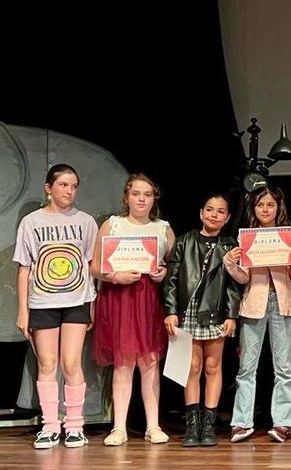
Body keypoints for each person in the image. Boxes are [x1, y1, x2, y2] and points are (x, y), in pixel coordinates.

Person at [14, 164, 98, 449]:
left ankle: (74, 425)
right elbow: (24, 268)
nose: (69, 191)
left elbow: (90, 266)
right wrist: (23, 311)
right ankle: (49, 425)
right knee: (47, 363)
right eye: (63, 185)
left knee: (72, 362)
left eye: (74, 186)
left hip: (76, 301)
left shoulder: (86, 221)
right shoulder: (32, 222)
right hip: (42, 302)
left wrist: (92, 303)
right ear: (48, 188)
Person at [92, 174, 175, 446]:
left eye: (147, 194)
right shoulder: (112, 225)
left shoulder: (163, 228)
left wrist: (163, 273)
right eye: (136, 193)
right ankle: (119, 427)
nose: (141, 199)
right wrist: (115, 277)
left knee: (150, 361)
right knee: (123, 363)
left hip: (148, 299)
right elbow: (95, 267)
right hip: (120, 298)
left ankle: (153, 425)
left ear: (154, 199)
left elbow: (171, 268)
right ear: (127, 197)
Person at [225, 187, 291, 444]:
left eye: (270, 205)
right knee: (246, 367)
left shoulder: (289, 235)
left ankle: (283, 422)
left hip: (282, 303)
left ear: (278, 208)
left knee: (284, 368)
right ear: (254, 208)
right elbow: (244, 278)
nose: (265, 210)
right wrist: (231, 262)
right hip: (254, 303)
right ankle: (241, 422)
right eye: (260, 205)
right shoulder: (247, 238)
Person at [164, 193, 241, 447]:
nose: (214, 215)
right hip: (188, 312)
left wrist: (231, 314)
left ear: (227, 217)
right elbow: (172, 280)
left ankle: (209, 425)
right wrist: (171, 310)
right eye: (210, 209)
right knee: (192, 367)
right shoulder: (184, 242)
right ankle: (192, 426)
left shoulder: (230, 245)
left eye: (220, 211)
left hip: (216, 313)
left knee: (213, 366)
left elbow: (233, 284)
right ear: (201, 213)